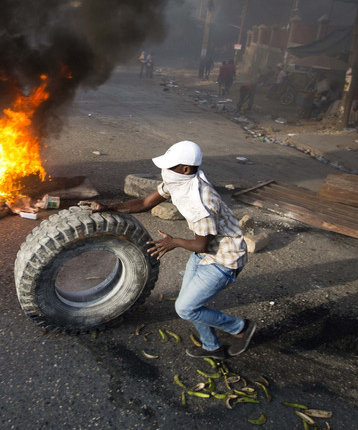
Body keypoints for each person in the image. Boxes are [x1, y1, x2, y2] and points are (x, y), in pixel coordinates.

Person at [90, 141, 255, 360]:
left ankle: (240, 327)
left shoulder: (201, 201)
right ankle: (212, 347)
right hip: (205, 253)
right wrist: (109, 207)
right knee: (192, 303)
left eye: (170, 166)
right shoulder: (177, 181)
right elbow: (144, 203)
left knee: (186, 308)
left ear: (186, 169)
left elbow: (201, 245)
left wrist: (173, 242)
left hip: (224, 259)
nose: (164, 170)